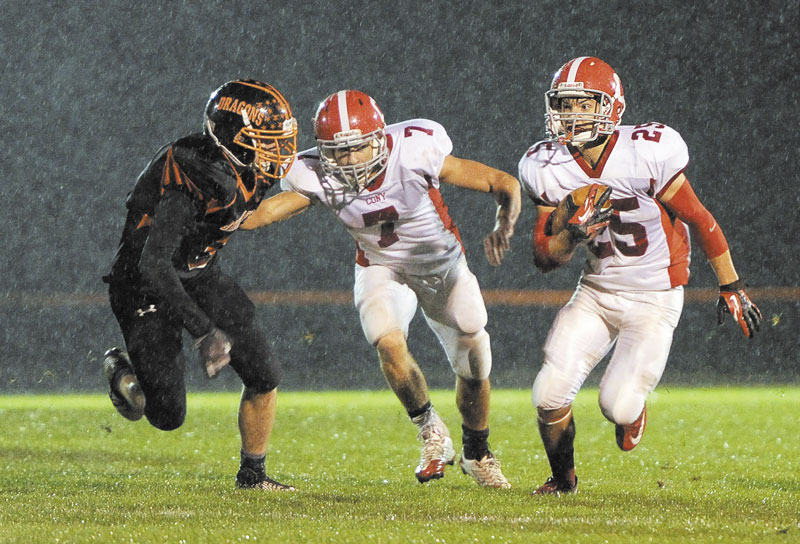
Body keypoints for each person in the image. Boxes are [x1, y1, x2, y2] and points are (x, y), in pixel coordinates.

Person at [243, 89, 521, 488]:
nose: (350, 160)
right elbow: (266, 212)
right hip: (380, 265)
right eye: (338, 153)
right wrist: (218, 218)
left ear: (380, 137)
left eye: (358, 148)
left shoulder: (414, 149)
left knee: (474, 363)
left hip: (442, 266)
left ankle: (477, 452)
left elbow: (501, 181)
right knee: (386, 339)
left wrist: (504, 222)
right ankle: (430, 430)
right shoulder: (314, 173)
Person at [518, 57, 763, 495]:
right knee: (548, 393)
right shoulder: (545, 164)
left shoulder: (646, 150)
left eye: (583, 104)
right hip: (596, 291)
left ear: (611, 107)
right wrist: (571, 235)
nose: (572, 116)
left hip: (655, 296)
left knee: (617, 404)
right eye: (565, 105)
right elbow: (543, 256)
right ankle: (563, 481)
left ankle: (634, 410)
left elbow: (701, 219)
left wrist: (731, 285)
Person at [102, 79, 299, 491]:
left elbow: (251, 213)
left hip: (199, 273)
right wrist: (204, 331)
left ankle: (252, 476)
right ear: (232, 138)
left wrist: (321, 190)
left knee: (264, 373)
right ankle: (125, 371)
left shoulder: (246, 168)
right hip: (144, 284)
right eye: (265, 141)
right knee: (167, 414)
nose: (278, 152)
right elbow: (153, 264)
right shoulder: (198, 171)